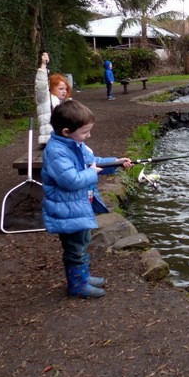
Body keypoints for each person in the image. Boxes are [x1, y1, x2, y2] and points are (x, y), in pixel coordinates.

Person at [42, 100, 132, 298]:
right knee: (74, 248)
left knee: (82, 241)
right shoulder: (57, 152)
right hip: (67, 211)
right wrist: (92, 172)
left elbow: (94, 162)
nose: (88, 136)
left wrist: (116, 162)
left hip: (77, 207)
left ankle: (82, 276)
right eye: (85, 132)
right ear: (66, 131)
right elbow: (71, 180)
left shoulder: (75, 144)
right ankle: (77, 285)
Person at [35, 52, 53, 146]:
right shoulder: (44, 98)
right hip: (47, 140)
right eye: (61, 88)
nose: (64, 91)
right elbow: (41, 85)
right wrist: (43, 66)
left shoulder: (61, 101)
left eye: (65, 89)